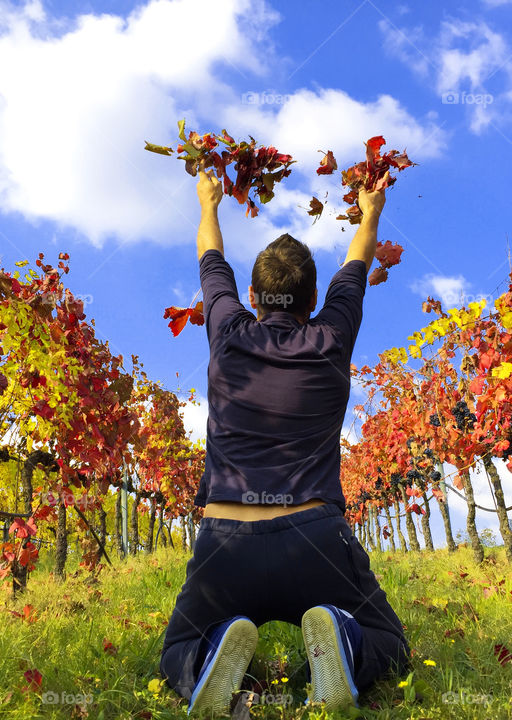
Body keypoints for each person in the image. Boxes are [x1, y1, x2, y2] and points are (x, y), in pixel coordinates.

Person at [159, 166, 410, 716]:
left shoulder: (227, 329)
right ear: (315, 298)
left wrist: (209, 202)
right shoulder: (332, 334)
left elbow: (210, 257)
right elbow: (358, 260)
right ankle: (345, 642)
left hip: (226, 541)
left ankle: (209, 659)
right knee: (392, 646)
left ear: (250, 296)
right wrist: (371, 211)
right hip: (314, 540)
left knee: (176, 647)